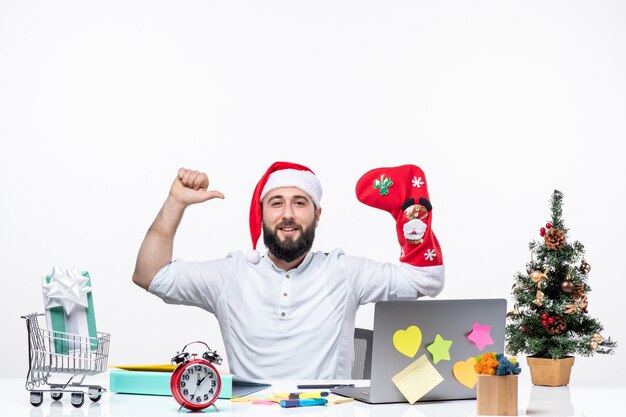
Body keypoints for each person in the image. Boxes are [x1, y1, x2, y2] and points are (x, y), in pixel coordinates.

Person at [132, 161, 444, 380]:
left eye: (300, 203)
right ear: (263, 213)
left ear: (317, 214)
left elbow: (426, 280)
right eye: (277, 203)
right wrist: (175, 202)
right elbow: (150, 274)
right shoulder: (232, 275)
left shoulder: (344, 272)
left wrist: (410, 216)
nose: (288, 215)